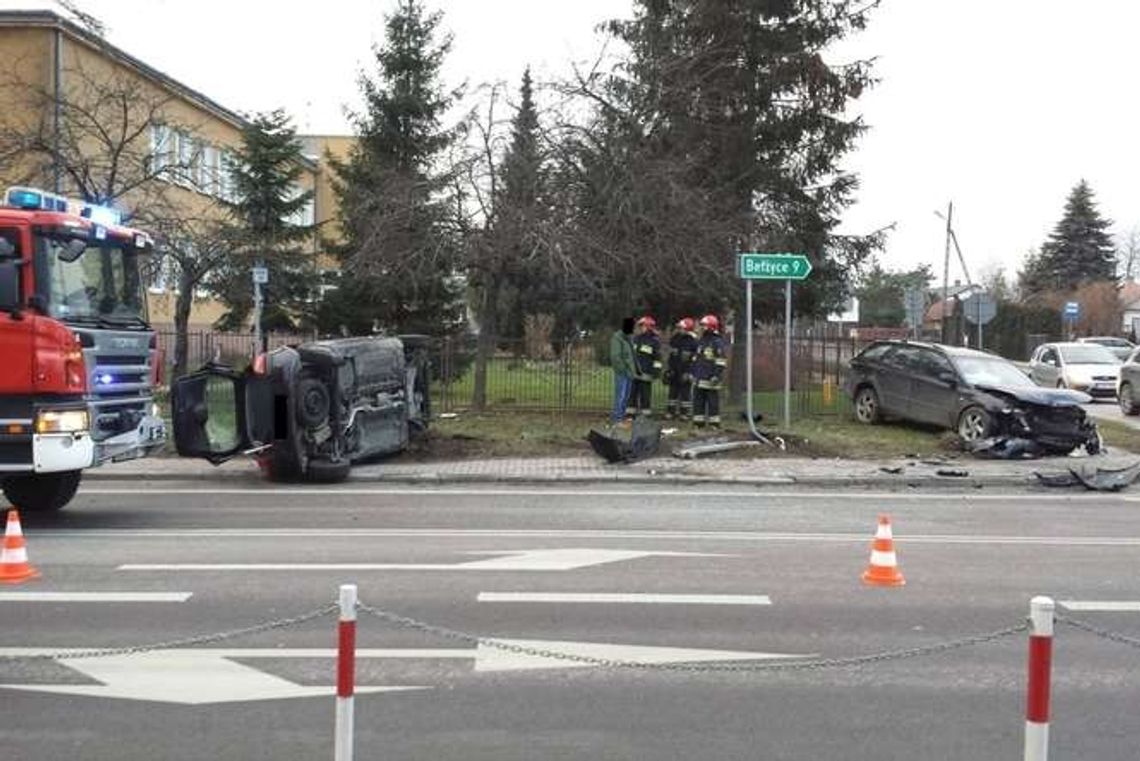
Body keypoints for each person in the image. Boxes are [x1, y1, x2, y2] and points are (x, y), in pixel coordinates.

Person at [691, 314, 727, 428]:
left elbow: (721, 361)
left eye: (704, 326)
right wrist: (693, 373)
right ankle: (698, 423)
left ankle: (714, 423)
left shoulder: (717, 342)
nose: (701, 328)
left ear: (711, 327)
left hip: (711, 378)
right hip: (699, 377)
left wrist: (716, 375)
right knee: (698, 401)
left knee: (712, 402)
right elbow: (697, 359)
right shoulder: (701, 341)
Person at [664, 317, 698, 419]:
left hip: (686, 371)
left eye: (682, 328)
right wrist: (669, 369)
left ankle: (684, 413)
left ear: (688, 329)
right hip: (674, 370)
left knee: (685, 394)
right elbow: (671, 355)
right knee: (672, 392)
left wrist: (690, 372)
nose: (679, 329)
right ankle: (670, 412)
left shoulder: (693, 342)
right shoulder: (675, 339)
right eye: (679, 328)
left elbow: (695, 360)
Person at [630, 316, 663, 415]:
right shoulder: (636, 339)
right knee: (632, 394)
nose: (640, 328)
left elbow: (657, 359)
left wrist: (656, 372)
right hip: (634, 372)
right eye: (640, 326)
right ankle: (630, 414)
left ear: (649, 327)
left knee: (645, 394)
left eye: (642, 326)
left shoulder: (654, 342)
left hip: (646, 373)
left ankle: (646, 414)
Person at [609, 317, 637, 424]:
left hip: (629, 372)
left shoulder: (629, 339)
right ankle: (616, 418)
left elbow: (630, 356)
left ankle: (621, 416)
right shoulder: (617, 338)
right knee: (620, 395)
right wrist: (623, 369)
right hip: (622, 372)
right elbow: (615, 357)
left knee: (626, 396)